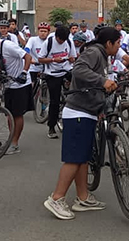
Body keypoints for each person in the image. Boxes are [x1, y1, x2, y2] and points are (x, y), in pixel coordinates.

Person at [44, 27, 119, 220]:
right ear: (108, 43)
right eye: (117, 42)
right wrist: (102, 81)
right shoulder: (94, 52)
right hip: (78, 113)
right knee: (74, 159)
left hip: (88, 113)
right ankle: (56, 198)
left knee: (83, 158)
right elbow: (78, 70)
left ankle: (82, 197)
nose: (119, 46)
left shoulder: (102, 55)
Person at [0, 29, 34, 154]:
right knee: (9, 114)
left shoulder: (8, 46)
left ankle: (15, 144)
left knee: (17, 115)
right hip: (8, 83)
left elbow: (28, 57)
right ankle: (10, 140)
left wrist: (24, 73)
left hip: (20, 84)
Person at [39, 24, 78, 139]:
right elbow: (41, 59)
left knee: (77, 93)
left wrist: (71, 59)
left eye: (64, 40)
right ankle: (51, 126)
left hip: (66, 71)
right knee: (55, 101)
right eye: (60, 40)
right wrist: (53, 59)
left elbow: (73, 57)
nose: (62, 42)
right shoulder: (49, 42)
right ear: (56, 36)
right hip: (52, 74)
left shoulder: (69, 42)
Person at [25, 22, 52, 93]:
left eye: (45, 31)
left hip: (46, 68)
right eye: (41, 31)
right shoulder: (33, 39)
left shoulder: (50, 40)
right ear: (38, 31)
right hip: (34, 67)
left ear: (48, 32)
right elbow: (27, 50)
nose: (43, 33)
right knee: (31, 87)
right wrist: (30, 60)